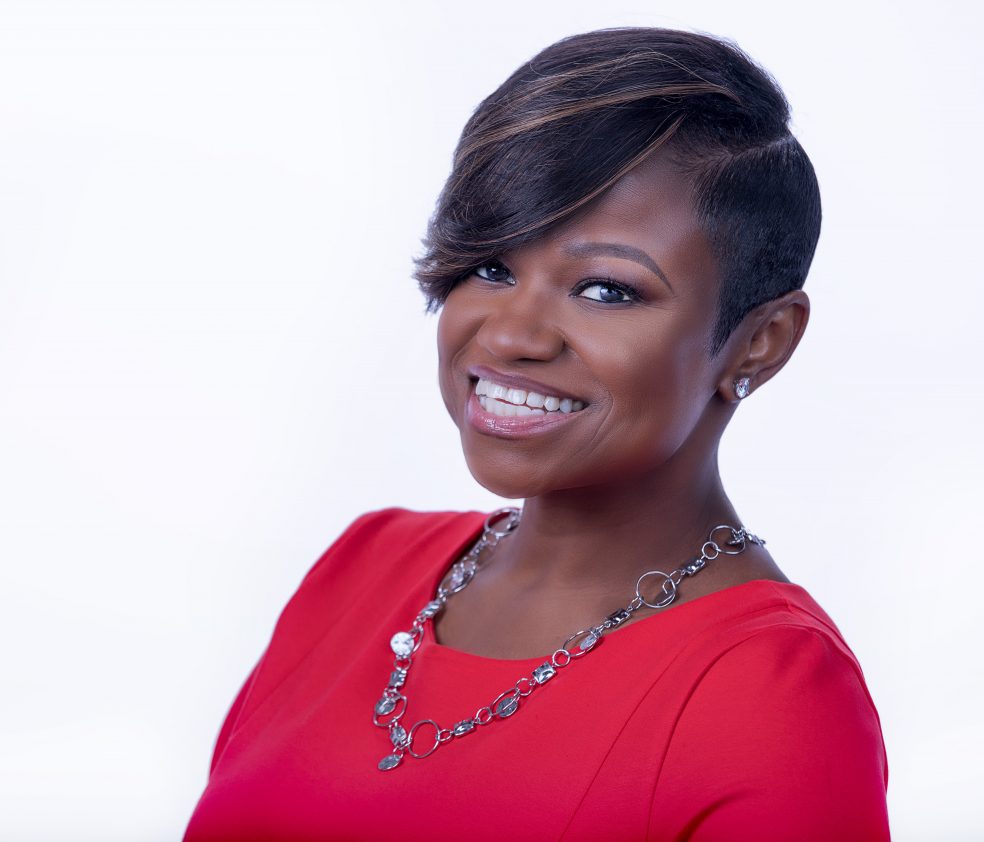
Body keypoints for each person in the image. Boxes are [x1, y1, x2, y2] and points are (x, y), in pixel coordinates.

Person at [184, 26, 889, 841]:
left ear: (760, 342)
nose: (512, 333)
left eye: (606, 290)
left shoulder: (771, 696)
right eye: (491, 266)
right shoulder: (360, 571)